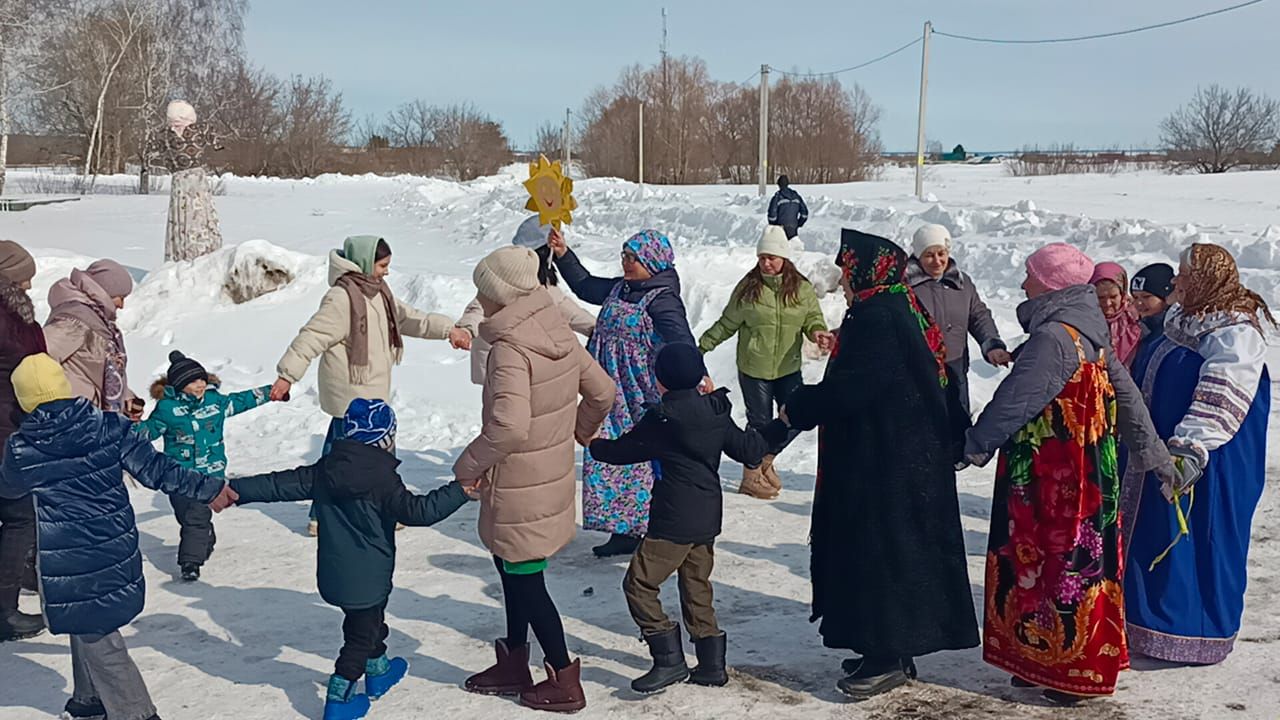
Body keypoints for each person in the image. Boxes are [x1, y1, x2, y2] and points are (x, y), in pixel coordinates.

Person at [963, 242, 1174, 705]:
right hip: (1089, 476)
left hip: (1052, 479)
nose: (1023, 283)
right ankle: (1048, 659)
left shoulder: (1054, 339)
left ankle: (1068, 670)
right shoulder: (1089, 332)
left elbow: (1014, 403)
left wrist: (971, 447)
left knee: (1056, 567)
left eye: (1030, 276)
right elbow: (1130, 401)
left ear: (1052, 284)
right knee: (1068, 565)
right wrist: (1155, 456)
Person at [772, 230, 979, 700]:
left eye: (848, 272)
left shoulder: (879, 316)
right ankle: (890, 647)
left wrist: (798, 406)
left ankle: (885, 654)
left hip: (889, 462)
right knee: (894, 551)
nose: (844, 281)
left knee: (882, 553)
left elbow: (852, 389)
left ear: (867, 272)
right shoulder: (898, 303)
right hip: (901, 455)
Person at [0, 353, 232, 720]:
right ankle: (88, 700)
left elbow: (10, 488)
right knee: (88, 622)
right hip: (115, 548)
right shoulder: (109, 426)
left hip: (68, 559)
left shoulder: (23, 447)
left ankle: (137, 714)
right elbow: (157, 469)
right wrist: (206, 487)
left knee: (99, 637)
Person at [223, 398, 474, 720]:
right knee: (360, 636)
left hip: (334, 573)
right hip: (369, 575)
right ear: (386, 438)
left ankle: (379, 669)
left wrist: (238, 490)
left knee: (366, 620)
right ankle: (339, 698)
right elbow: (418, 511)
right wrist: (459, 492)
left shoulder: (326, 469)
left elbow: (279, 484)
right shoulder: (382, 479)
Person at [456, 247, 614, 713]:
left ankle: (565, 678)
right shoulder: (556, 329)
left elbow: (509, 426)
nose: (480, 299)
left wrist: (468, 466)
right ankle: (513, 662)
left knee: (525, 580)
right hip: (547, 477)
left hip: (519, 483)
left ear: (501, 293)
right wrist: (579, 430)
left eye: (485, 290)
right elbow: (601, 391)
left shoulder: (510, 347)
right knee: (511, 569)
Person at [1121, 243, 1273, 666]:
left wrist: (1190, 446)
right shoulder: (1187, 316)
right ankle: (1148, 622)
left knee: (1200, 537)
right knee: (1155, 529)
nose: (1176, 283)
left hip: (1212, 457)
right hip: (1166, 449)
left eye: (1185, 276)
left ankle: (1196, 631)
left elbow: (1222, 393)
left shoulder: (1235, 332)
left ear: (1207, 280)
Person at [590, 344, 767, 694]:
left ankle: (669, 659)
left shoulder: (663, 420)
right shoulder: (714, 410)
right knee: (696, 587)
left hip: (673, 520)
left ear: (661, 381)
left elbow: (624, 451)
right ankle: (712, 664)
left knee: (639, 585)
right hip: (707, 517)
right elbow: (749, 450)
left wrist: (594, 444)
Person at [272, 235, 455, 536]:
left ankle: (346, 511)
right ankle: (358, 512)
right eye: (382, 265)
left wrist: (449, 329)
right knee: (362, 459)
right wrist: (287, 375)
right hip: (351, 394)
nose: (386, 271)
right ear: (366, 263)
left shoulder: (378, 292)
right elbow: (312, 336)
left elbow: (409, 318)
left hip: (371, 391)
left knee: (350, 455)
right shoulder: (342, 298)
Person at [549, 228, 697, 558]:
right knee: (606, 453)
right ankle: (621, 529)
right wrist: (563, 254)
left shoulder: (663, 299)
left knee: (640, 457)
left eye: (633, 258)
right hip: (607, 390)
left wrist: (695, 375)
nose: (626, 263)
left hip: (638, 395)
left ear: (652, 261)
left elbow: (681, 342)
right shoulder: (621, 288)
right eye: (624, 256)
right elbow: (586, 286)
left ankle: (647, 528)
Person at [698, 225, 830, 499]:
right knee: (759, 423)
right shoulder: (749, 288)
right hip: (754, 368)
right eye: (762, 258)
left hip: (788, 367)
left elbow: (812, 318)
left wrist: (817, 331)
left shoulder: (801, 288)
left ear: (784, 258)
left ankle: (765, 458)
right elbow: (727, 323)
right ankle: (751, 476)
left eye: (772, 257)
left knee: (797, 416)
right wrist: (700, 347)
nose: (766, 263)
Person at [137, 351, 278, 582]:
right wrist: (131, 428)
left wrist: (271, 392)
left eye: (202, 379)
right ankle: (205, 537)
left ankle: (190, 562)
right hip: (179, 475)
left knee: (195, 516)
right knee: (187, 516)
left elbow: (241, 400)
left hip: (210, 475)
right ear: (180, 385)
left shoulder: (215, 401)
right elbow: (149, 431)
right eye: (193, 381)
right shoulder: (167, 409)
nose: (200, 384)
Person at [449, 216, 596, 384]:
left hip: (520, 368)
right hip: (498, 367)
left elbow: (570, 311)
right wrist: (466, 330)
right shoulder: (507, 280)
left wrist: (599, 328)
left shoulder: (543, 284)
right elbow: (478, 308)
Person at [906, 223, 1010, 414]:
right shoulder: (905, 287)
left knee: (958, 424)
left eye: (941, 253)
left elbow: (978, 316)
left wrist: (992, 345)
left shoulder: (962, 283)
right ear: (918, 256)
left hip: (955, 368)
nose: (937, 261)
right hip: (918, 372)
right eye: (929, 255)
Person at [0, 240, 46, 642]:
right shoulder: (14, 322)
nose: (32, 284)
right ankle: (4, 612)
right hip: (8, 432)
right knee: (19, 519)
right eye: (26, 275)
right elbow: (35, 369)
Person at [43, 259, 142, 419]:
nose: (122, 305)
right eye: (120, 297)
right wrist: (62, 401)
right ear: (105, 292)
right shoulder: (75, 321)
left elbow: (100, 371)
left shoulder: (98, 322)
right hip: (74, 417)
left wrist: (125, 397)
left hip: (91, 417)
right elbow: (37, 357)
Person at [150, 100, 224, 262]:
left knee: (183, 217)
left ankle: (181, 255)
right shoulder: (201, 130)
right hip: (196, 181)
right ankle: (201, 255)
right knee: (199, 216)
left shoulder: (161, 135)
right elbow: (219, 144)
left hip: (179, 181)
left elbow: (151, 152)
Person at [1090, 261, 1142, 367]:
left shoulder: (1137, 318)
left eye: (1113, 297)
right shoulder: (1083, 320)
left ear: (1122, 294)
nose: (1107, 303)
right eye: (1100, 298)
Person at [1129, 262, 1175, 366]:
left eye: (1146, 297)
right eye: (1135, 297)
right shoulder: (1136, 329)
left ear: (1166, 297)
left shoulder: (1174, 332)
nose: (1139, 303)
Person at [766, 175, 808, 240]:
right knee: (792, 246)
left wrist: (774, 225)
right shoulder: (796, 196)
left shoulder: (777, 197)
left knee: (781, 247)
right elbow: (804, 213)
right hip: (793, 228)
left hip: (780, 228)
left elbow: (772, 215)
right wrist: (798, 223)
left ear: (779, 185)